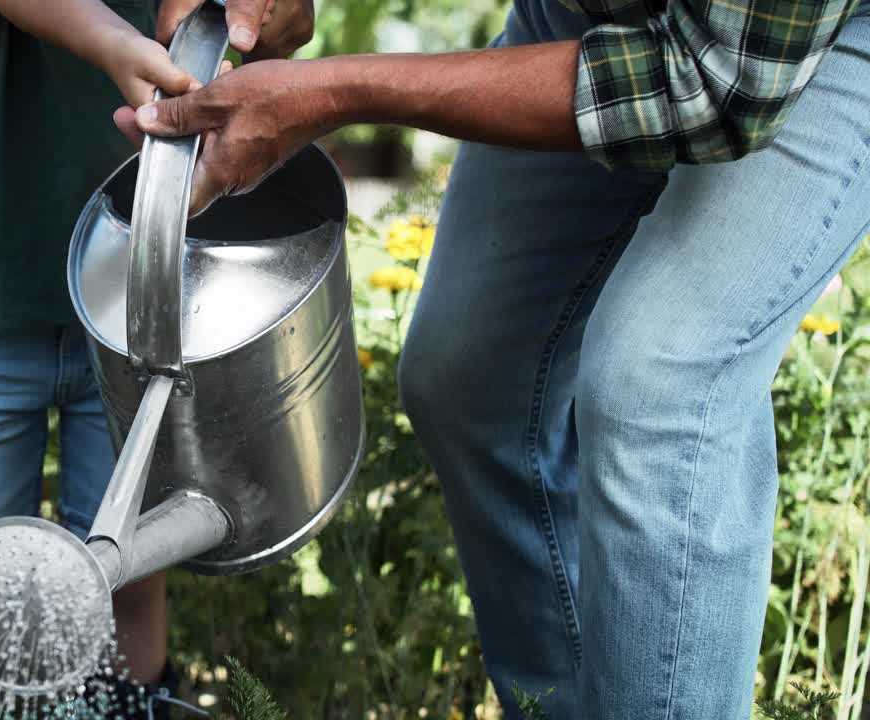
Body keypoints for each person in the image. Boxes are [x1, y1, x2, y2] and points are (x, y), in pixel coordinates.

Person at [117, 0, 870, 715]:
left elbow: (709, 87)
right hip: (597, 12)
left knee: (656, 385)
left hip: (782, 57)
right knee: (468, 376)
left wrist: (339, 92)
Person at [0, 0, 312, 715]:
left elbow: (285, 27)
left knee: (129, 576)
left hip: (142, 316)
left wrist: (267, 19)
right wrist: (116, 43)